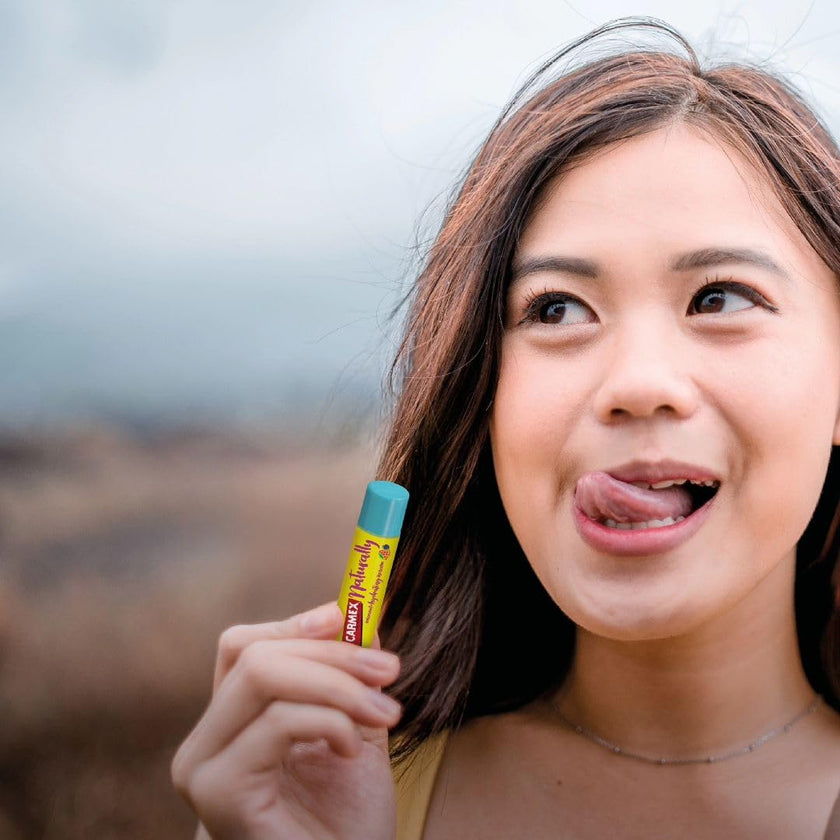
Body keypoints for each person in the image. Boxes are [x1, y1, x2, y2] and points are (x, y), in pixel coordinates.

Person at [171, 17, 840, 839]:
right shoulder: (314, 800)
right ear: (482, 390)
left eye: (721, 298)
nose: (634, 383)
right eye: (556, 309)